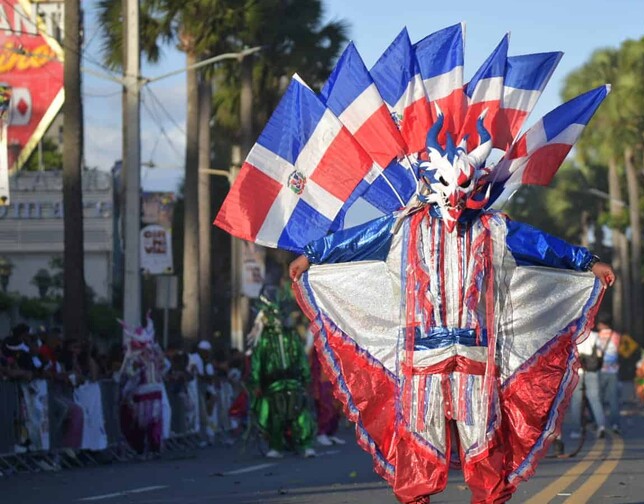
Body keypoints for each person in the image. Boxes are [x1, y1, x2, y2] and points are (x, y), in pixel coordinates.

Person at [217, 26, 614, 503]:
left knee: (479, 434)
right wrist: (312, 256)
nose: (454, 201)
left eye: (463, 191)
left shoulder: (491, 226)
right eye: (448, 189)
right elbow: (355, 240)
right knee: (420, 435)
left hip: (476, 356)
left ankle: (487, 496)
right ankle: (417, 496)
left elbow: (539, 245)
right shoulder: (405, 224)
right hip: (421, 356)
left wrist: (586, 262)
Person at [248, 298, 316, 459]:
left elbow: (301, 358)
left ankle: (305, 445)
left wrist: (306, 378)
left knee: (299, 412)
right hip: (273, 384)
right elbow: (257, 362)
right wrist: (256, 382)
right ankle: (276, 446)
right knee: (275, 415)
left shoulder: (292, 336)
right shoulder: (264, 339)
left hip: (294, 383)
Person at [118, 313, 166, 456]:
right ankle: (142, 448)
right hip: (141, 393)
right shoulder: (134, 357)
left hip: (155, 392)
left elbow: (164, 367)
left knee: (154, 420)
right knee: (141, 422)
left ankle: (154, 447)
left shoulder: (154, 355)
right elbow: (128, 374)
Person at [573, 319, 608, 438]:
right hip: (592, 371)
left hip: (578, 372)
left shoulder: (574, 336)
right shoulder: (594, 336)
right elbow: (599, 353)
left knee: (576, 402)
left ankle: (578, 430)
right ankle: (601, 426)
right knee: (595, 400)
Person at [595, 319, 622, 433]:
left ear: (602, 324)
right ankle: (615, 424)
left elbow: (596, 352)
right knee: (613, 399)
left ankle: (600, 424)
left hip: (600, 370)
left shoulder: (597, 336)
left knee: (598, 399)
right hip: (613, 370)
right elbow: (618, 349)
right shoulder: (616, 335)